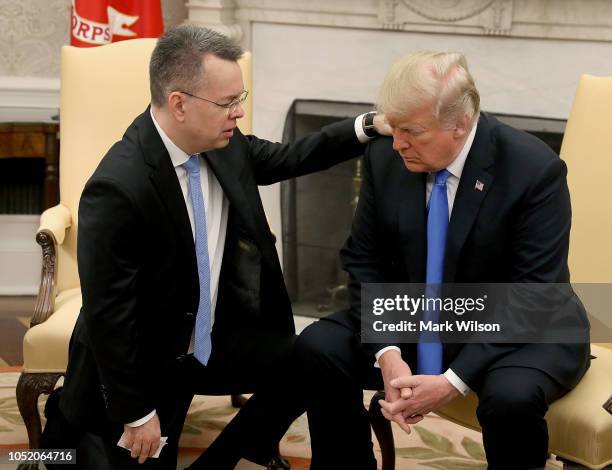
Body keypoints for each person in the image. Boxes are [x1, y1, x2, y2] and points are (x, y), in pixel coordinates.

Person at [41, 25, 388, 469]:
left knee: (315, 355)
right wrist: (136, 412)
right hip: (147, 362)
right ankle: (57, 439)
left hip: (215, 339)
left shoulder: (222, 144)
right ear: (179, 104)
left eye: (239, 100)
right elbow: (111, 316)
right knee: (73, 457)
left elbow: (290, 157)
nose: (238, 113)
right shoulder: (118, 188)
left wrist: (369, 126)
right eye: (227, 103)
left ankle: (228, 457)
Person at [295, 51, 590, 469]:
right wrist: (388, 352)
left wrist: (452, 381)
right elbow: (363, 260)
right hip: (421, 316)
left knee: (511, 399)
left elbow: (533, 293)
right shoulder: (387, 156)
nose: (398, 143)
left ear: (461, 124)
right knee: (319, 346)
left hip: (519, 325)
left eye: (412, 131)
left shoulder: (534, 169)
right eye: (394, 128)